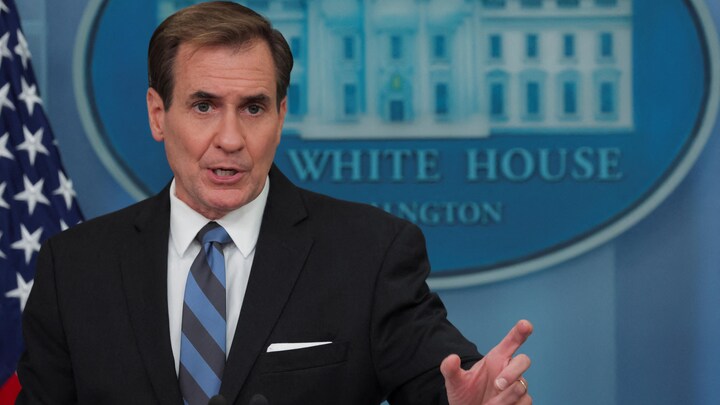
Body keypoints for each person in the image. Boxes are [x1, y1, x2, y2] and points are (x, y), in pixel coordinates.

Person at [16, 2, 532, 404]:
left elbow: (444, 381)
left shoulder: (369, 254)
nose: (230, 139)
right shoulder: (75, 267)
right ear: (158, 114)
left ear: (280, 117)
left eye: (253, 108)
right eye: (204, 106)